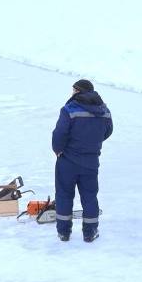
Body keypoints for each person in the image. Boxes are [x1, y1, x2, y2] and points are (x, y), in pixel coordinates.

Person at [52, 79, 113, 242]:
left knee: (64, 195)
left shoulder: (69, 109)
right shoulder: (104, 110)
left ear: (78, 91)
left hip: (68, 160)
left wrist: (58, 150)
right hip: (91, 161)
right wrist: (92, 143)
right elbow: (108, 131)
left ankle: (64, 233)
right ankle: (90, 232)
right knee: (90, 196)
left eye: (73, 90)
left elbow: (59, 134)